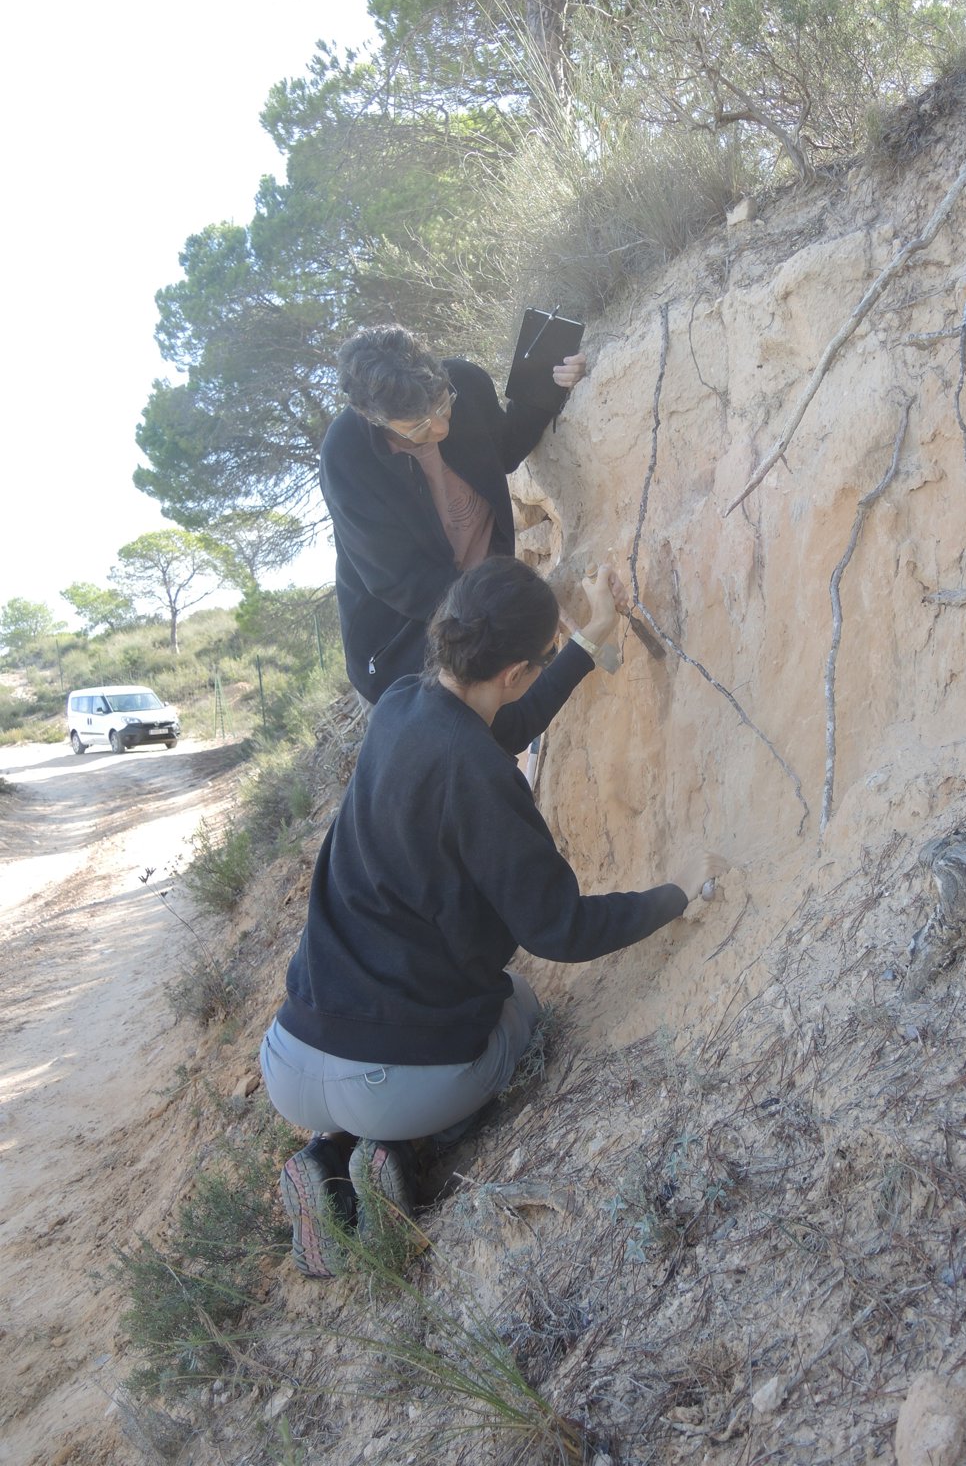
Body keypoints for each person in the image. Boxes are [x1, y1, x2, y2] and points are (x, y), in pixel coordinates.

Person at [260, 556, 722, 1277]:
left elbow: (496, 725)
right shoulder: (486, 778)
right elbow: (559, 929)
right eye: (538, 662)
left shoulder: (399, 706)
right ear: (513, 673)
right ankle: (403, 1150)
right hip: (392, 1088)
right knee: (518, 1007)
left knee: (387, 1054)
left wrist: (588, 640)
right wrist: (675, 896)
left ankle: (326, 1154)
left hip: (290, 1056)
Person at [320, 323, 587, 707]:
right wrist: (510, 608)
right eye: (418, 426)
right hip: (405, 657)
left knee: (512, 728)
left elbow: (505, 448)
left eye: (444, 404)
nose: (441, 426)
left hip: (488, 623)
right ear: (372, 417)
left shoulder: (465, 381)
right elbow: (403, 582)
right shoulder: (346, 455)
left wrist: (550, 383)